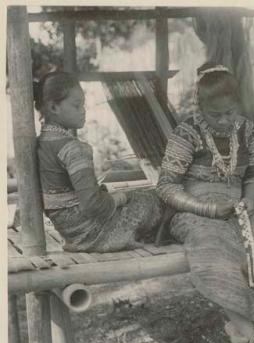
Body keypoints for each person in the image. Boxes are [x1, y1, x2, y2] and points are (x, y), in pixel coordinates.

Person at [156, 62, 254, 343]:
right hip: (194, 211)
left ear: (238, 105)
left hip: (239, 206)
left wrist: (249, 199)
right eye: (215, 114)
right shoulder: (186, 133)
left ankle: (241, 325)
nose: (224, 121)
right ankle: (252, 336)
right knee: (215, 252)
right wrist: (206, 210)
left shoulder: (246, 130)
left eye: (230, 112)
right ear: (200, 106)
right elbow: (165, 186)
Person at [35, 71, 163, 252]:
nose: (83, 111)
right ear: (54, 107)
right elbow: (94, 205)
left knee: (136, 194)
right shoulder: (73, 148)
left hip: (69, 230)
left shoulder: (41, 143)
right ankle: (122, 237)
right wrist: (122, 197)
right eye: (77, 105)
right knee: (151, 199)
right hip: (91, 232)